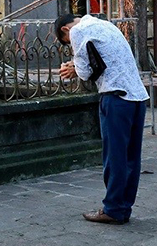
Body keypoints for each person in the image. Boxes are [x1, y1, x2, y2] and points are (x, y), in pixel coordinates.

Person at [55, 13, 149, 225]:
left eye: (67, 43)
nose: (71, 44)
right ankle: (123, 208)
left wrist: (73, 67)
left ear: (65, 30)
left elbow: (84, 73)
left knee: (115, 157)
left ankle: (113, 209)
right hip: (137, 96)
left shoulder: (77, 31)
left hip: (116, 98)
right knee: (131, 158)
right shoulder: (105, 25)